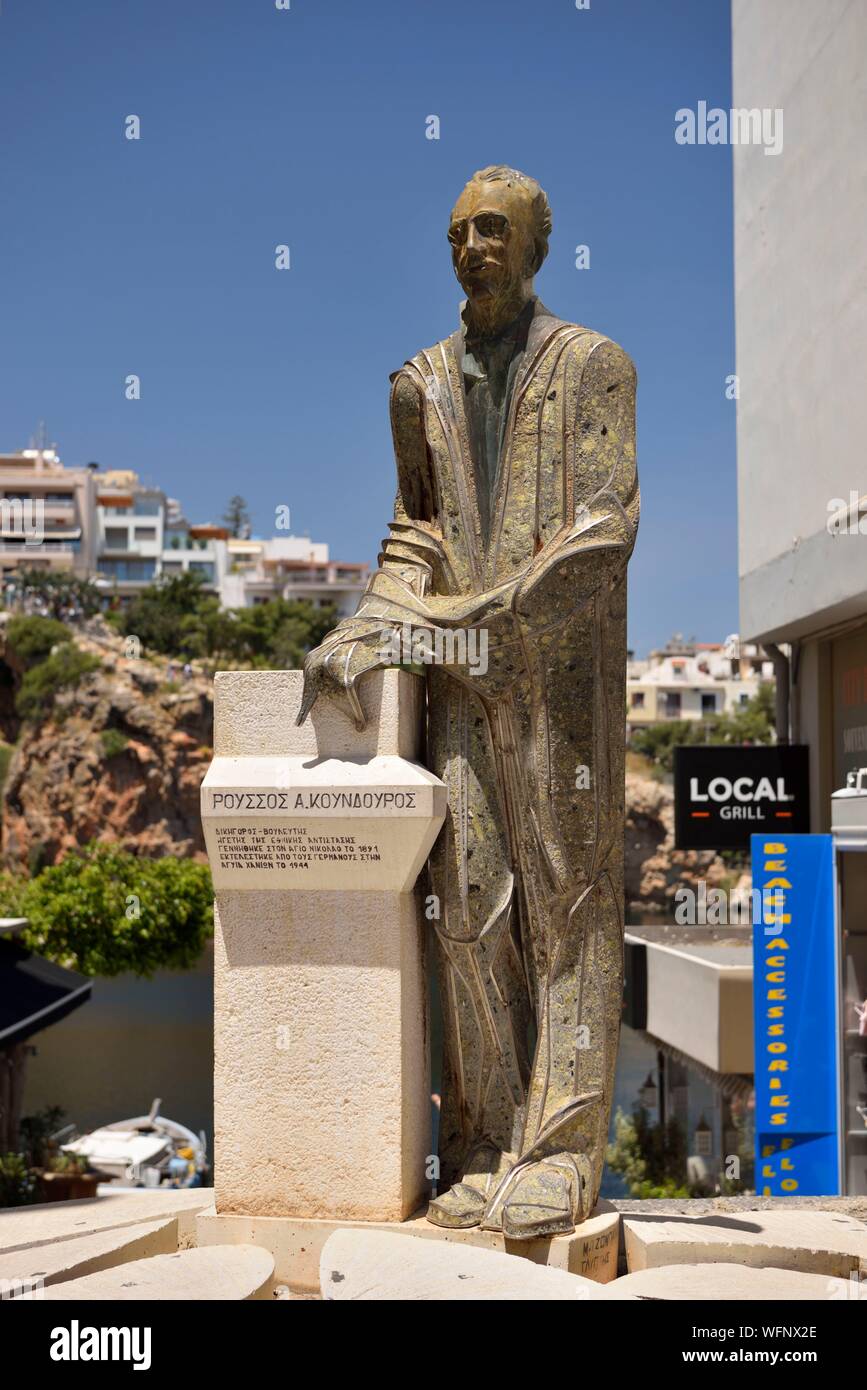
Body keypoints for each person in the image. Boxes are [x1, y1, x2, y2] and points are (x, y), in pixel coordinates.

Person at [298, 167, 638, 1239]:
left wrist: (489, 607)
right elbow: (414, 533)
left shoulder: (595, 366)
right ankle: (487, 1136)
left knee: (572, 905)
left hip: (564, 690)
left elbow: (605, 524)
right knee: (469, 907)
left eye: (495, 229)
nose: (474, 245)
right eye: (457, 232)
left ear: (537, 245)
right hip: (458, 684)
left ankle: (564, 1147)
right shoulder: (418, 387)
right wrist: (367, 622)